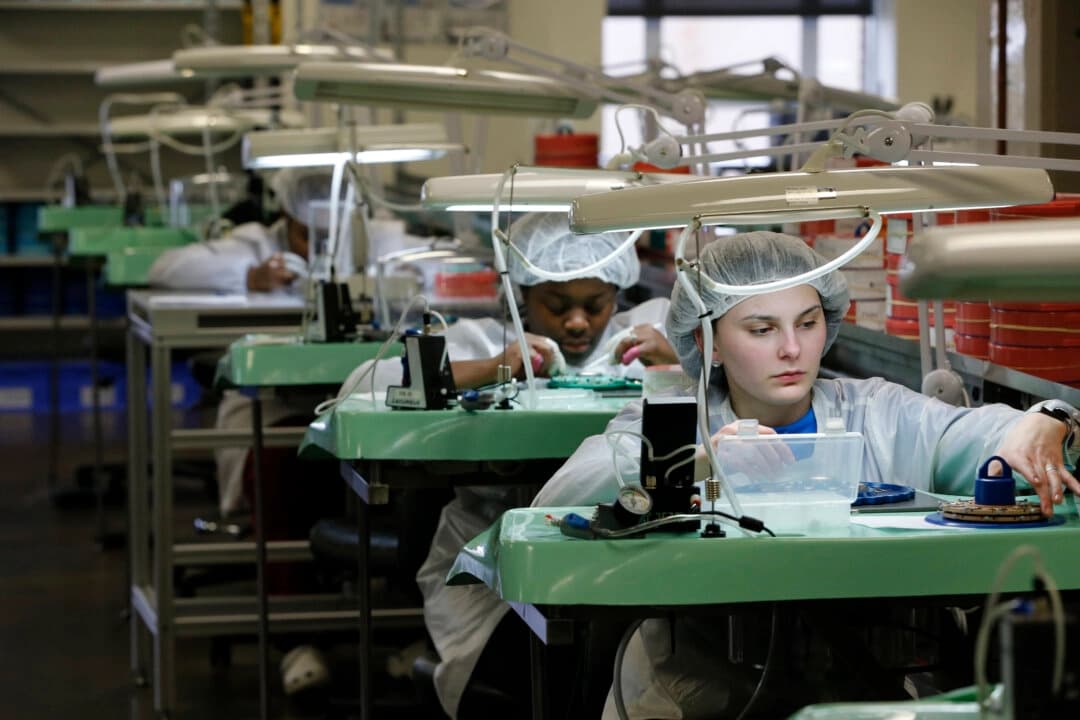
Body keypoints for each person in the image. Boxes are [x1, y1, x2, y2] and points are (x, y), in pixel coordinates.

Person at [530, 230, 1080, 719]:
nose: (792, 349)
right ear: (708, 343)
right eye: (762, 328)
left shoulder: (878, 414)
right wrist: (698, 460)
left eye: (808, 323)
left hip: (866, 697)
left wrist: (1046, 418)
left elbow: (977, 435)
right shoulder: (677, 423)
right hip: (695, 700)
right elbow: (556, 503)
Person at [341, 211, 679, 718]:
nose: (577, 322)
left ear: (619, 291)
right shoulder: (484, 339)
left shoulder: (650, 328)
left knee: (638, 658)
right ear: (521, 294)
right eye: (556, 305)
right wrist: (492, 368)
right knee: (573, 669)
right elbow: (359, 388)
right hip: (489, 568)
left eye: (595, 304)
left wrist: (684, 361)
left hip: (625, 556)